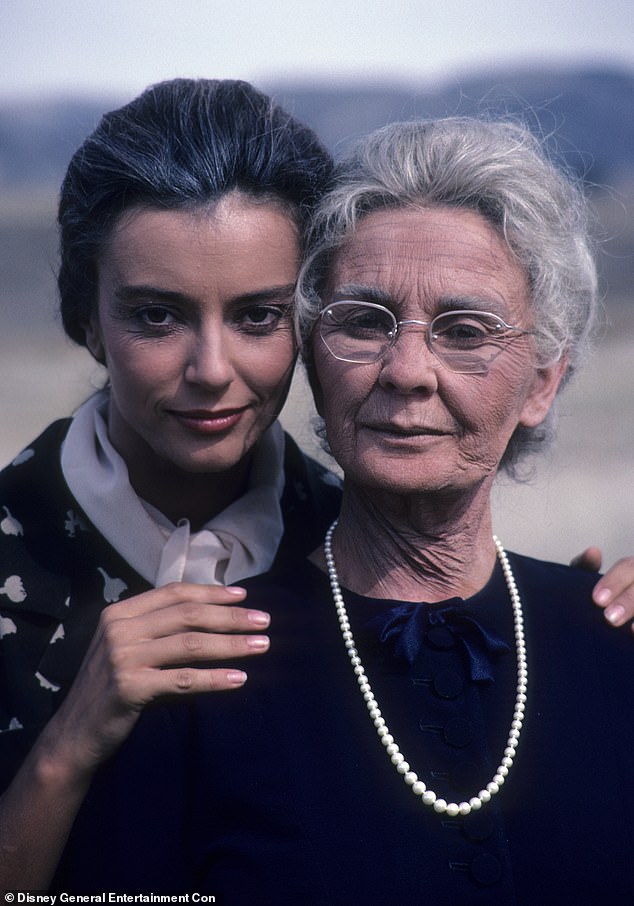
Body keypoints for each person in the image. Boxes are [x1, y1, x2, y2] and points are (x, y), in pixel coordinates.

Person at [54, 116, 634, 902]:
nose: (407, 370)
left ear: (541, 382)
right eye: (364, 321)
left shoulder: (610, 638)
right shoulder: (193, 671)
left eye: (465, 331)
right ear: (313, 359)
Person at [0, 77, 340, 889]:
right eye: (158, 316)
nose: (212, 371)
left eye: (260, 316)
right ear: (85, 318)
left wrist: (580, 627)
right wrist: (70, 744)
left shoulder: (360, 543)